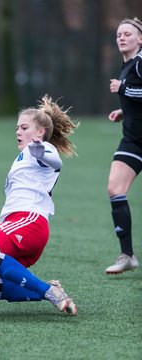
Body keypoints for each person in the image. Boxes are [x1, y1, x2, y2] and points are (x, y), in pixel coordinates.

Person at [0, 95, 78, 315]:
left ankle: (47, 290)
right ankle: (50, 290)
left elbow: (55, 162)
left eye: (24, 127)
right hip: (21, 224)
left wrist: (39, 148)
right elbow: (19, 203)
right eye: (17, 127)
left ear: (39, 132)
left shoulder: (42, 149)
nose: (18, 131)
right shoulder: (24, 158)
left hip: (30, 224)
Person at [105, 17, 142, 274]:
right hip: (133, 139)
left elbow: (135, 89)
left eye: (127, 33)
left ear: (140, 39)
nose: (122, 37)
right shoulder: (128, 64)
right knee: (115, 188)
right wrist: (124, 111)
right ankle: (127, 255)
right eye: (119, 34)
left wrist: (124, 88)